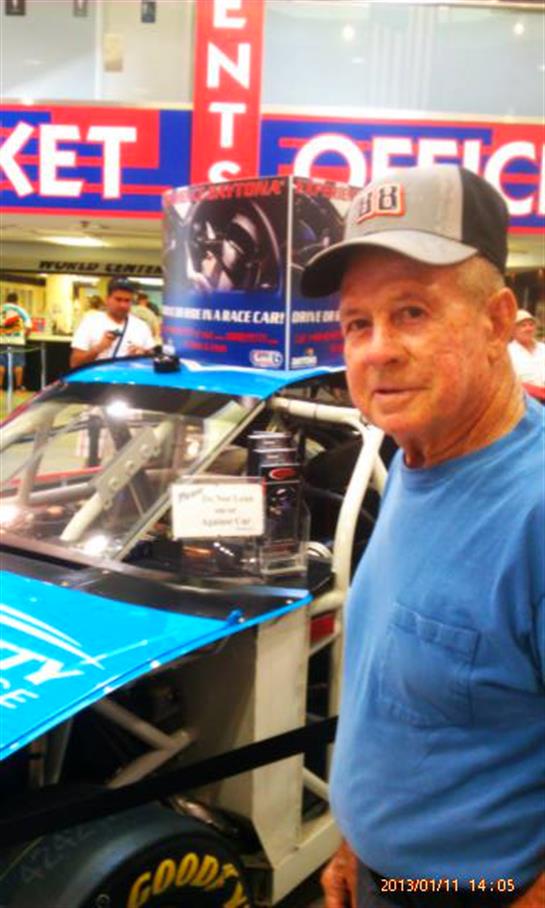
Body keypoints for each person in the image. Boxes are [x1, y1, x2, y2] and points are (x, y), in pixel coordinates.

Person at [301, 165, 544, 908]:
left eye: (411, 312)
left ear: (497, 322)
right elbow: (399, 699)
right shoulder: (420, 451)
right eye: (356, 323)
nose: (376, 350)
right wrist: (356, 839)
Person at [70, 277, 154, 368]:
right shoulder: (90, 322)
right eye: (118, 299)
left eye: (127, 300)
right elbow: (75, 364)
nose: (123, 305)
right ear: (107, 299)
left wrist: (142, 355)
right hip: (98, 376)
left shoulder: (141, 326)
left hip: (130, 376)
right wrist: (98, 348)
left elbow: (153, 361)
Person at [0, 292, 32, 391]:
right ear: (17, 301)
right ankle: (18, 387)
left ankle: (0, 387)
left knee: (1, 364)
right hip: (18, 341)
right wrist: (24, 337)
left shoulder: (1, 309)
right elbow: (29, 327)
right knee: (18, 364)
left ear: (6, 300)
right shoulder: (21, 311)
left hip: (2, 341)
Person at [508, 309, 545, 390]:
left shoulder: (543, 348)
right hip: (522, 395)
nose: (528, 329)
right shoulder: (508, 352)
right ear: (513, 330)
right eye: (523, 325)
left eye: (531, 325)